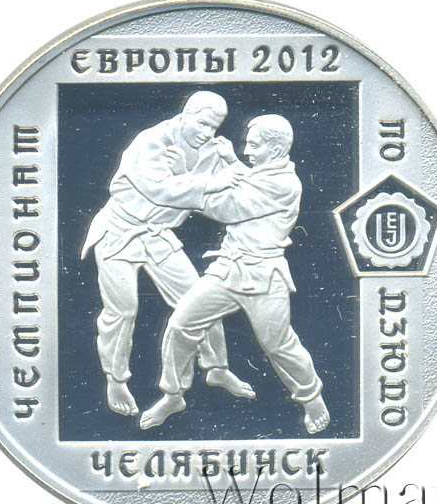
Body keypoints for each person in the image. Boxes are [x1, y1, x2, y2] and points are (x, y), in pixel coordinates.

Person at [141, 114, 330, 434]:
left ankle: (312, 399)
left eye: (254, 145)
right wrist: (229, 162)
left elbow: (227, 207)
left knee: (279, 344)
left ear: (275, 149)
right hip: (228, 269)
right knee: (181, 325)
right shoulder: (265, 173)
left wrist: (183, 177)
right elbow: (246, 180)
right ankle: (173, 395)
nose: (247, 150)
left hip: (263, 277)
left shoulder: (284, 184)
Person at [81, 91, 255, 417]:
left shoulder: (213, 149)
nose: (207, 133)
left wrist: (231, 161)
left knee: (199, 299)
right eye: (203, 124)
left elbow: (248, 190)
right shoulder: (151, 141)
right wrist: (213, 180)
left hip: (158, 234)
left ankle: (217, 368)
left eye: (214, 127)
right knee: (123, 310)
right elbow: (159, 190)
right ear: (187, 113)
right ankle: (116, 380)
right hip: (118, 230)